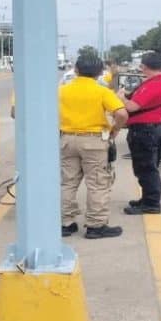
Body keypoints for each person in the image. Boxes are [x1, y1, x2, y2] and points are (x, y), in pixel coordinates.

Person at [60, 54, 129, 239]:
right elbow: (122, 114)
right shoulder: (102, 91)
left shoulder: (61, 90)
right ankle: (95, 226)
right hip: (94, 141)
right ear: (99, 73)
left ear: (76, 69)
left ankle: (66, 223)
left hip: (67, 139)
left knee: (67, 182)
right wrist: (114, 130)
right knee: (98, 183)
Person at [117, 52, 161, 215]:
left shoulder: (155, 84)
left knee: (146, 168)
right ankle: (147, 199)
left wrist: (121, 98)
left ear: (144, 67)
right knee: (147, 167)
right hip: (153, 128)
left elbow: (133, 107)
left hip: (146, 130)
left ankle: (151, 203)